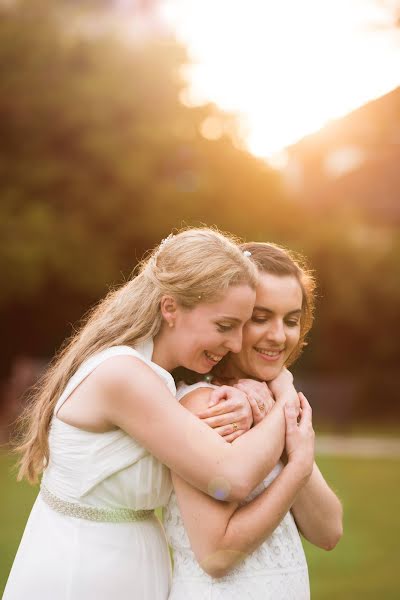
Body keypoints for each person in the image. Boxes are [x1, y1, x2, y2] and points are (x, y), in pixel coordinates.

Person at [4, 228, 300, 600]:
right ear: (170, 308)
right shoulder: (122, 376)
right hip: (85, 569)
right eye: (225, 326)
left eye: (242, 327)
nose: (237, 344)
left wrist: (247, 391)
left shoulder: (161, 378)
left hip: (135, 561)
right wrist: (285, 392)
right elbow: (232, 476)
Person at [164, 241, 343, 599]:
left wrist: (283, 393)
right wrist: (298, 463)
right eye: (260, 318)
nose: (279, 336)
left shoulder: (274, 403)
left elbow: (328, 531)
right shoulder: (210, 406)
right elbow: (216, 555)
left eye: (291, 320)